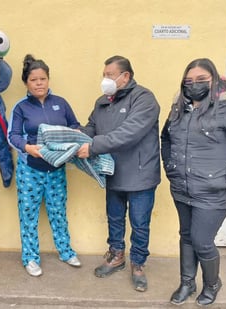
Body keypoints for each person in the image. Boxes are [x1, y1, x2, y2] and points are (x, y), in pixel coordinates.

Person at [161, 58, 226, 306]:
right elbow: (166, 138)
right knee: (186, 236)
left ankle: (212, 283)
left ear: (214, 80)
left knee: (201, 240)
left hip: (214, 192)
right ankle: (187, 282)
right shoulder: (179, 107)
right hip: (182, 187)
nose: (194, 85)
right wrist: (171, 168)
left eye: (201, 80)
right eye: (188, 81)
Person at [77, 55, 161, 292]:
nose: (106, 79)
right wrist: (73, 135)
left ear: (126, 76)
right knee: (114, 217)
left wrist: (93, 146)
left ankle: (138, 263)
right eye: (104, 75)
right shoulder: (103, 102)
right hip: (112, 171)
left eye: (110, 75)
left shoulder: (144, 99)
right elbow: (92, 128)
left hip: (140, 174)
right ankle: (116, 255)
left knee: (140, 222)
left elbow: (130, 132)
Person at [8, 54, 81, 277]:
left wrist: (76, 135)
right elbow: (12, 135)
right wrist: (27, 148)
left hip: (56, 169)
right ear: (26, 83)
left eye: (43, 78)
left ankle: (66, 251)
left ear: (48, 80)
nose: (39, 83)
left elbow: (75, 126)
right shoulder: (21, 108)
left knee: (58, 211)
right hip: (30, 170)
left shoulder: (61, 103)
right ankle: (30, 258)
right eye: (34, 80)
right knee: (28, 214)